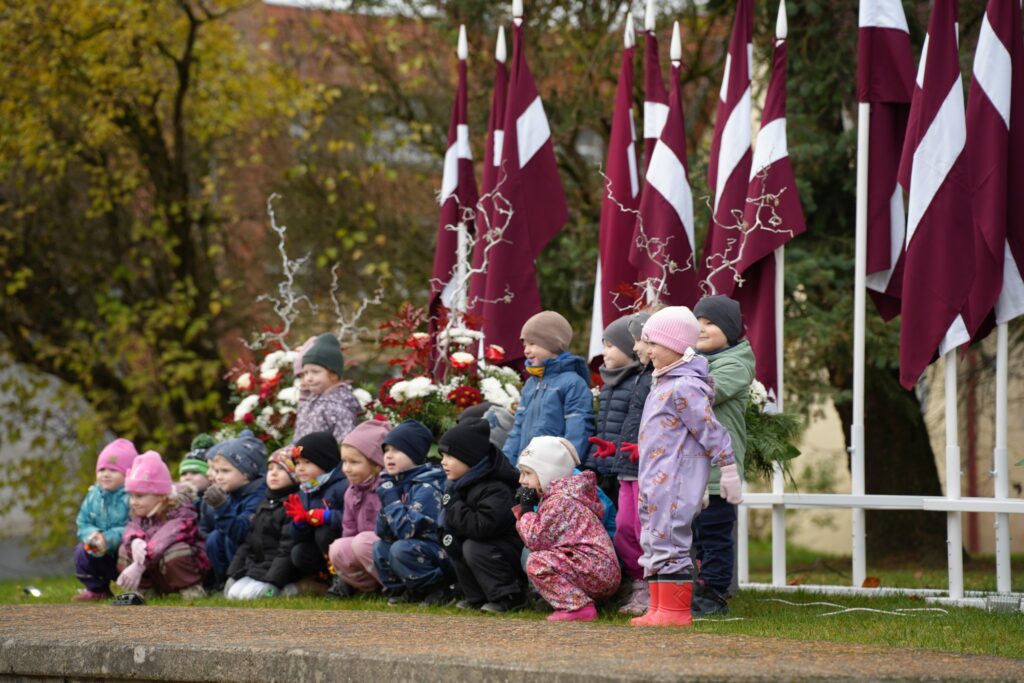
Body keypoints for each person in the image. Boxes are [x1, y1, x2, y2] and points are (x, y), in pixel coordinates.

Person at [630, 306, 740, 628]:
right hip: (655, 479)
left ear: (677, 345)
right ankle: (658, 607)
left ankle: (676, 612)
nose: (647, 349)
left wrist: (727, 467)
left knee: (671, 540)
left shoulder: (684, 386)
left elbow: (710, 430)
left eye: (654, 343)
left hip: (676, 479)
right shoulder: (662, 383)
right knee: (654, 538)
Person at [692, 295, 755, 615]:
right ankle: (700, 588)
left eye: (710, 323)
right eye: (697, 322)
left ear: (730, 330)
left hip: (719, 467)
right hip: (694, 467)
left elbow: (704, 393)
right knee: (699, 536)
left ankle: (715, 593)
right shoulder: (696, 360)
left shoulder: (736, 363)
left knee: (716, 532)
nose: (701, 329)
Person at [514, 436, 620, 622]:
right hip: (597, 569)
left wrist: (525, 511)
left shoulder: (559, 501)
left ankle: (577, 608)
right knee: (543, 558)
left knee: (537, 561)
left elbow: (534, 539)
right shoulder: (564, 496)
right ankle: (581, 602)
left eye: (528, 473)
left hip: (596, 570)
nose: (522, 480)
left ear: (548, 473)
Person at [589, 312, 654, 615]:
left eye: (611, 345)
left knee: (641, 527)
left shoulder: (644, 380)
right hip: (622, 465)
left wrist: (641, 448)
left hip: (644, 466)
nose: (605, 351)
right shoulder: (612, 384)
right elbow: (621, 428)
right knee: (624, 528)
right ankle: (637, 584)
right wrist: (610, 450)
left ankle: (655, 587)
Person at [437, 418, 525, 612]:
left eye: (449, 456)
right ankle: (477, 597)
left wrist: (453, 505)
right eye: (442, 456)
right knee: (455, 543)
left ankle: (509, 595)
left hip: (508, 550)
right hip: (488, 546)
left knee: (473, 546)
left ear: (470, 457)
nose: (443, 462)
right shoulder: (460, 484)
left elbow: (482, 527)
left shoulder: (496, 487)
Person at [372, 420, 453, 606]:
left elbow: (408, 530)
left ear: (414, 454)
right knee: (380, 547)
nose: (389, 456)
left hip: (439, 552)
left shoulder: (426, 486)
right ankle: (405, 590)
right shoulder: (396, 484)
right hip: (414, 546)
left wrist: (392, 502)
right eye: (386, 450)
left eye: (397, 450)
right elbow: (383, 532)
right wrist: (388, 501)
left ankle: (438, 589)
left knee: (400, 548)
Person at [502, 311, 595, 466]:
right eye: (524, 345)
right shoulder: (531, 384)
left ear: (553, 344)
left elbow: (578, 429)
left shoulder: (572, 383)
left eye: (532, 344)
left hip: (553, 469)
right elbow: (518, 428)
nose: (526, 350)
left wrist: (567, 466)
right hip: (526, 468)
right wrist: (506, 465)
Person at [116, 451, 210, 598]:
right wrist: (135, 541)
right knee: (125, 549)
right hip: (156, 570)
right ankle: (143, 589)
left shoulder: (181, 512)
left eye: (139, 496)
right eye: (131, 496)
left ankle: (191, 589)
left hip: (183, 570)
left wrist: (140, 564)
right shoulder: (141, 512)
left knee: (176, 550)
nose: (133, 501)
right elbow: (131, 528)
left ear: (160, 496)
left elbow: (166, 537)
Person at [224, 447, 302, 599]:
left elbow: (286, 549)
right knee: (233, 594)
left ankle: (294, 589)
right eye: (270, 468)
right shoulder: (265, 503)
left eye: (281, 468)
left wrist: (273, 582)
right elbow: (248, 543)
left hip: (280, 572)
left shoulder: (293, 505)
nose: (273, 473)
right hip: (258, 568)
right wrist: (233, 574)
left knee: (255, 596)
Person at [326, 419, 390, 597]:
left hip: (387, 550)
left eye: (354, 462)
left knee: (362, 542)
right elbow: (349, 531)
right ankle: (369, 588)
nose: (346, 469)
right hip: (364, 549)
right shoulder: (351, 492)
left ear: (377, 464)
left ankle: (396, 586)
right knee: (338, 548)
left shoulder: (386, 489)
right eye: (344, 462)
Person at [72, 438, 138, 601]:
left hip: (126, 553)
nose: (106, 474)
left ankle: (139, 587)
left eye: (113, 470)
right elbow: (83, 522)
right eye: (102, 470)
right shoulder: (93, 495)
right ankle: (97, 589)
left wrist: (108, 538)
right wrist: (92, 535)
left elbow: (135, 526)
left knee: (128, 551)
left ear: (128, 474)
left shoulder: (132, 497)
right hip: (101, 549)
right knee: (82, 551)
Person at [201, 430, 268, 585]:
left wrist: (221, 506)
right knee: (215, 537)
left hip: (257, 557)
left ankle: (239, 578)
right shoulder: (232, 491)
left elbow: (240, 532)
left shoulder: (259, 495)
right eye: (217, 471)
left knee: (229, 537)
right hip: (235, 554)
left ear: (245, 473)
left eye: (225, 471)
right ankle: (223, 581)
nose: (218, 477)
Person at [283, 431, 348, 586]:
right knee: (299, 552)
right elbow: (298, 538)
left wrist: (327, 516)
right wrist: (300, 524)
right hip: (320, 550)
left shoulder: (342, 486)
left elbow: (352, 519)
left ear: (325, 461)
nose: (300, 468)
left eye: (307, 462)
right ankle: (326, 578)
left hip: (342, 545)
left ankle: (344, 577)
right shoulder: (305, 490)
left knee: (323, 532)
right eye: (297, 463)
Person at [294, 333, 359, 443]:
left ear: (333, 374)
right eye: (305, 373)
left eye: (315, 372)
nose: (308, 378)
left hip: (324, 459)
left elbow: (344, 442)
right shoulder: (310, 401)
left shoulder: (339, 404)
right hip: (302, 458)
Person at [177, 434, 214, 522]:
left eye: (194, 473)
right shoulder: (175, 501)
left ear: (209, 476)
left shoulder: (215, 501)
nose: (187, 478)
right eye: (184, 474)